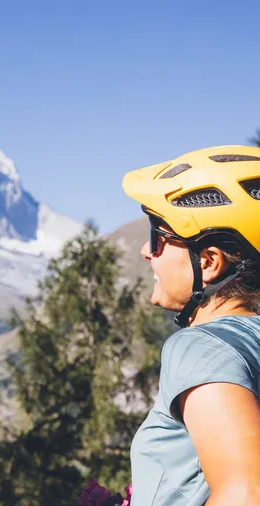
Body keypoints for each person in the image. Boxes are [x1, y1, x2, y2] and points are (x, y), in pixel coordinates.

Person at [122, 145, 260, 506]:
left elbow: (246, 493)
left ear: (209, 262)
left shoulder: (201, 347)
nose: (145, 251)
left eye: (157, 238)